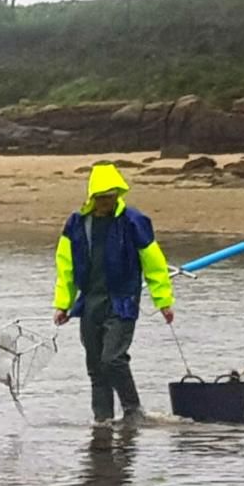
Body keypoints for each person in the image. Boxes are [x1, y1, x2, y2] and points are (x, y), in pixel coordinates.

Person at [52, 162, 175, 425]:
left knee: (113, 359)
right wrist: (63, 304)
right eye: (102, 197)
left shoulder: (133, 221)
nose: (107, 201)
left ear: (118, 195)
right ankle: (102, 422)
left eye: (111, 196)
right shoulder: (76, 224)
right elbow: (66, 269)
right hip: (90, 303)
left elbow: (154, 264)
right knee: (96, 367)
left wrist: (163, 301)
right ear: (92, 197)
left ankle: (133, 410)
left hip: (123, 302)